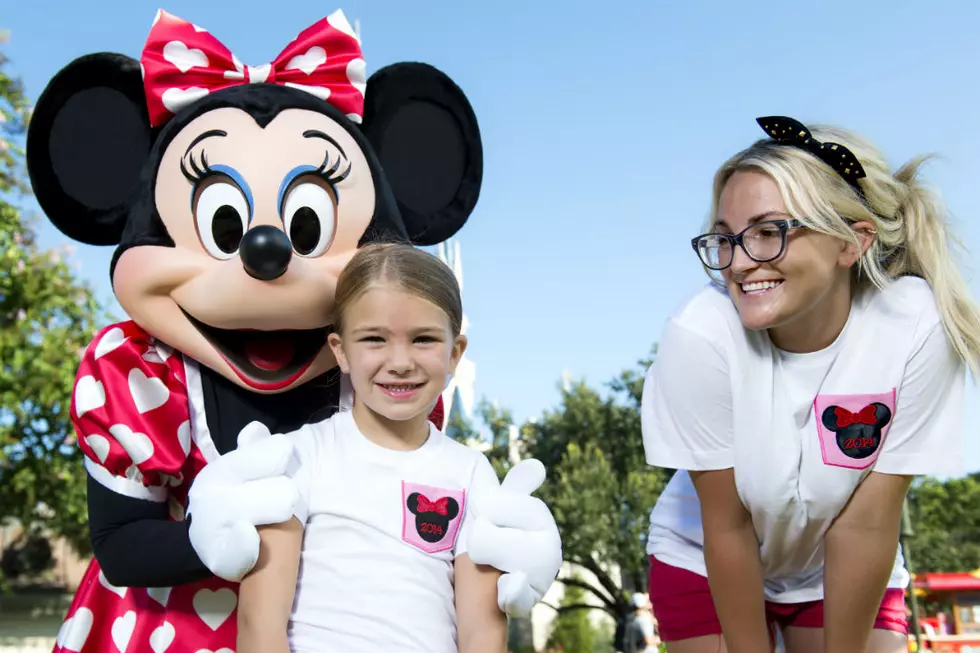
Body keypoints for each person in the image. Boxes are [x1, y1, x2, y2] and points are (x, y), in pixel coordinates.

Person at [28, 9, 561, 653]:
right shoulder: (140, 372)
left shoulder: (386, 384)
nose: (265, 248)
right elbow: (120, 545)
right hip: (165, 632)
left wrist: (512, 552)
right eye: (228, 226)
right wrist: (216, 535)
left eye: (422, 341)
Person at [641, 116, 980, 653]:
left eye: (768, 232)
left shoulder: (919, 328)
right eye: (727, 238)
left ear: (852, 242)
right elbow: (727, 526)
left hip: (835, 562)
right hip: (703, 554)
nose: (740, 262)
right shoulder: (698, 333)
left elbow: (867, 525)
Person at [236, 242, 509, 652]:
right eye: (374, 339)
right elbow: (260, 624)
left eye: (423, 339)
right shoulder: (297, 456)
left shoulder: (472, 473)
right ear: (340, 351)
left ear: (455, 353)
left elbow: (483, 633)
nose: (400, 361)